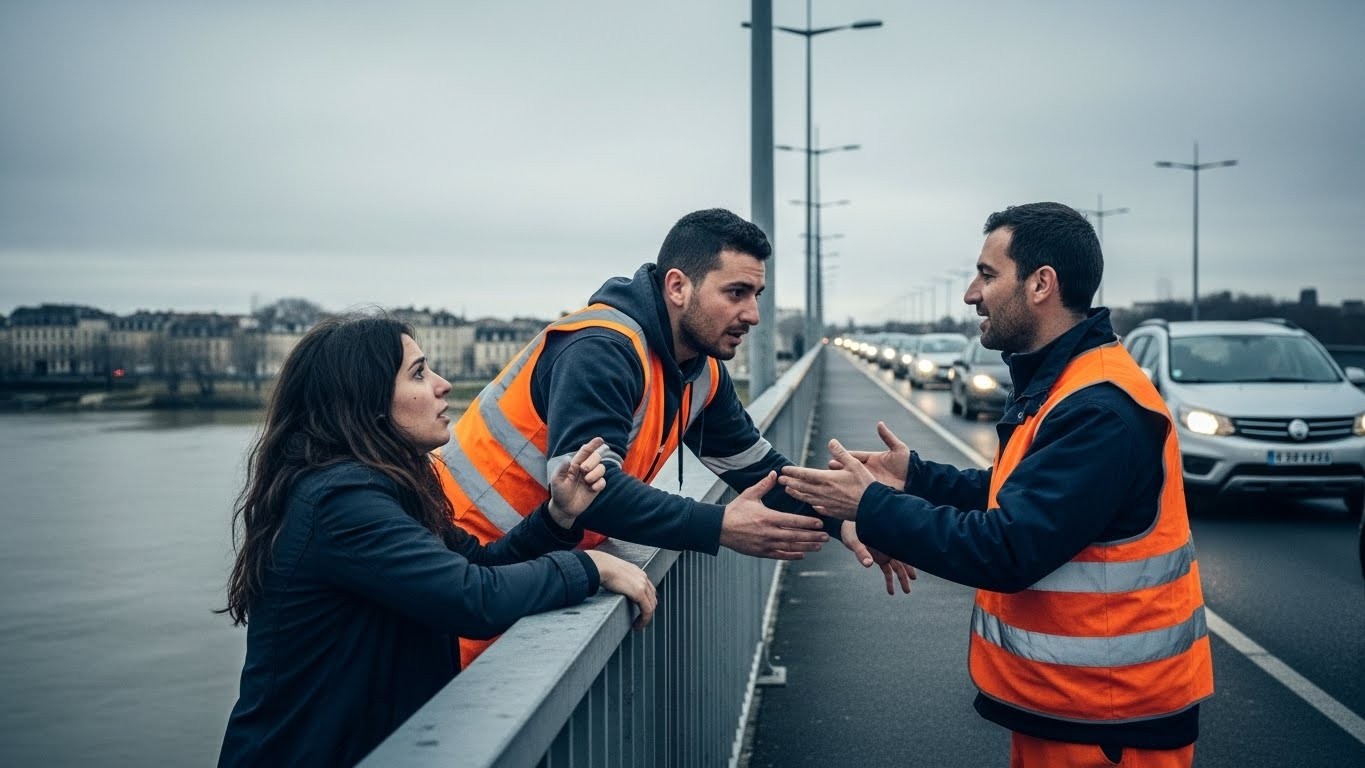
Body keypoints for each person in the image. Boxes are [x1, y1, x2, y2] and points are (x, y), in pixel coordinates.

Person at [779, 202, 1213, 768]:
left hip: (1111, 728)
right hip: (1076, 712)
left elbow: (1008, 547)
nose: (970, 294)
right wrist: (916, 477)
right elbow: (1018, 495)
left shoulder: (1100, 408)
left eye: (987, 275)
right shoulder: (1067, 382)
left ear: (1041, 284)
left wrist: (871, 505)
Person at [439, 207, 914, 664]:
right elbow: (590, 492)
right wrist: (719, 525)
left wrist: (847, 521)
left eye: (757, 295)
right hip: (469, 565)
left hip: (539, 567)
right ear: (677, 287)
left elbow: (760, 470)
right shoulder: (602, 349)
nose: (752, 314)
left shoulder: (697, 370)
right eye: (736, 293)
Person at [217, 314, 655, 767]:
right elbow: (472, 600)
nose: (443, 385)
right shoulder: (340, 501)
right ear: (368, 401)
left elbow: (481, 564)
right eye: (419, 373)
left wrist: (557, 515)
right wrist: (592, 568)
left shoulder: (387, 486)